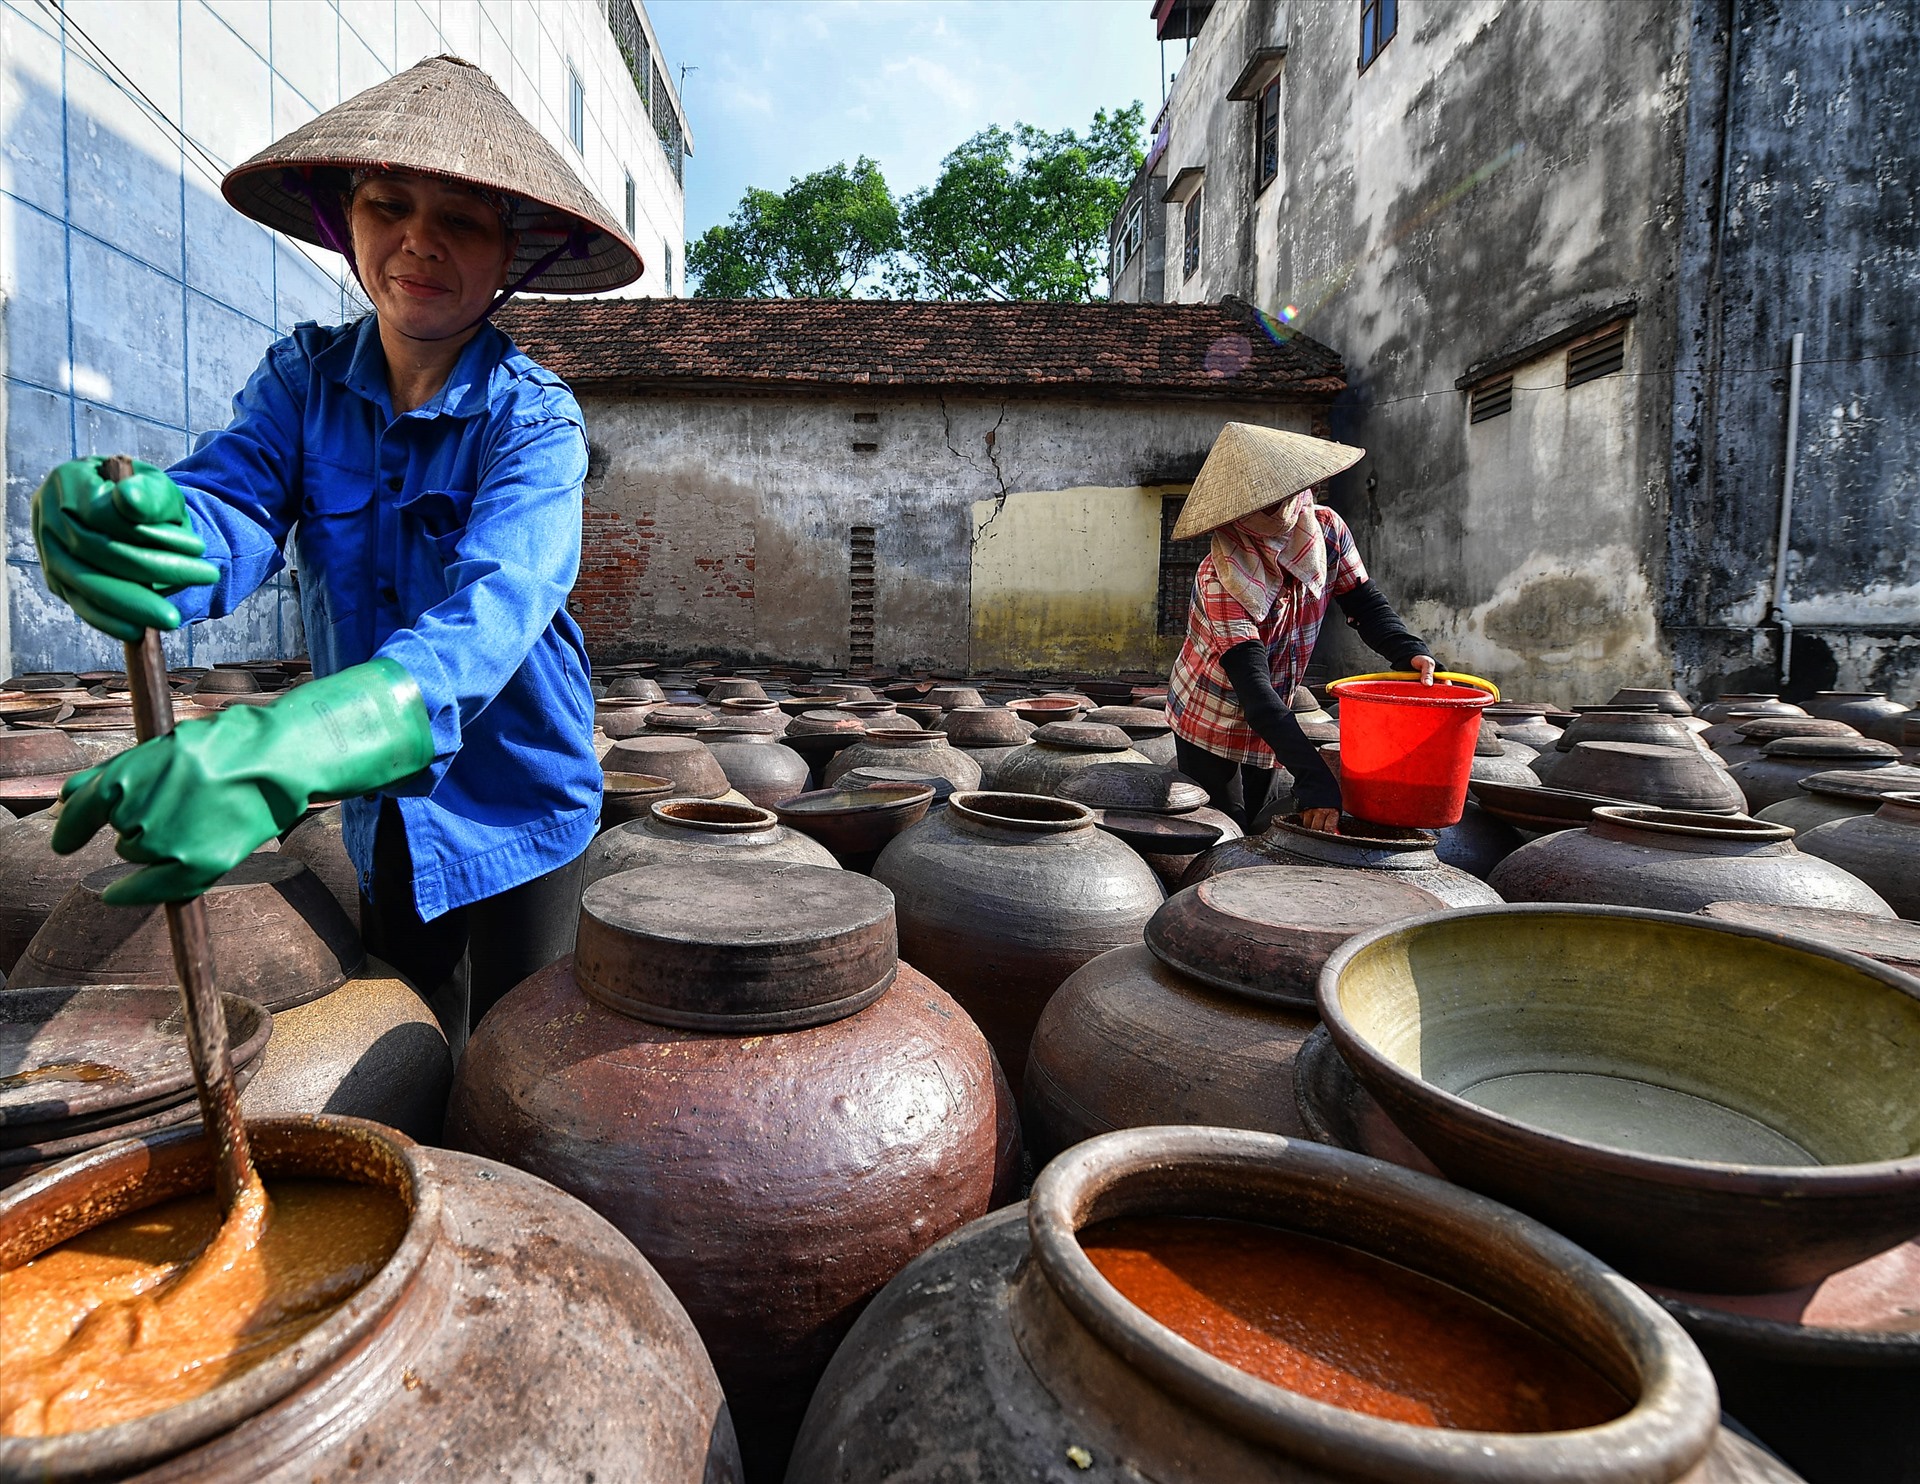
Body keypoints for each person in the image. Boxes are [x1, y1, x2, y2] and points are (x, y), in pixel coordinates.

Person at [30, 56, 643, 1050]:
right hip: (385, 806)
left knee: (522, 1056)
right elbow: (228, 504)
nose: (418, 241)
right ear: (344, 222)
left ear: (508, 258)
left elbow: (493, 619)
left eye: (462, 220)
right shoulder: (302, 382)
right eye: (388, 204)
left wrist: (288, 746)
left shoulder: (534, 420)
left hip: (521, 802)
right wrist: (146, 528)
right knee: (407, 1036)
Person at [1165, 422, 1435, 833]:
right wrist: (1314, 780)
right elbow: (1253, 689)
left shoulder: (1325, 529)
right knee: (1224, 829)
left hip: (1276, 709)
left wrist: (1407, 649)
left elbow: (1362, 600)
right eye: (1260, 505)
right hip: (1211, 712)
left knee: (1263, 822)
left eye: (1281, 496)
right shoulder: (1220, 575)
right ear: (1235, 513)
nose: (1278, 510)